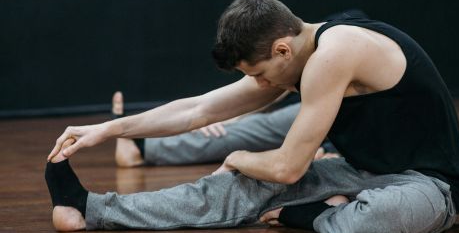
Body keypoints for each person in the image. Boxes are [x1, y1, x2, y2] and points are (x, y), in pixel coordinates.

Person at [45, 0, 459, 233]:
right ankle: (88, 210)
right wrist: (109, 129)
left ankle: (309, 217)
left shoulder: (336, 53)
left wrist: (236, 155)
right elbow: (199, 110)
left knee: (379, 223)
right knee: (239, 185)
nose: (258, 83)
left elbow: (288, 167)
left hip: (430, 184)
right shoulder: (297, 55)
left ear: (282, 50)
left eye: (257, 73)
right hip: (363, 171)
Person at [112, 91, 340, 168]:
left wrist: (333, 151)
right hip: (330, 107)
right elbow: (276, 86)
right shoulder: (321, 46)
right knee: (234, 130)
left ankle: (140, 147)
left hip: (354, 131)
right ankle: (140, 147)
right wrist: (233, 116)